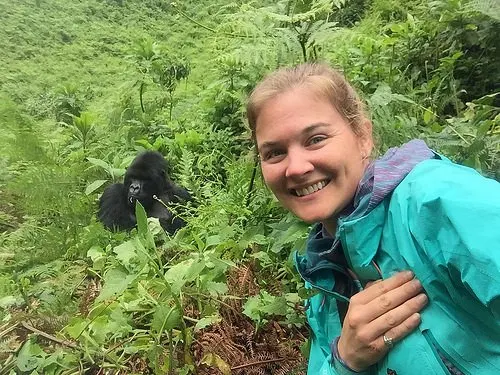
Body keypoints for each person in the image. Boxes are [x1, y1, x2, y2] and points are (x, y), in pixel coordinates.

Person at [246, 62, 500, 375]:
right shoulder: (326, 279)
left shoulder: (434, 200)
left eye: (316, 139)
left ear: (363, 136)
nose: (296, 167)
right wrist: (345, 360)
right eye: (274, 153)